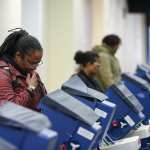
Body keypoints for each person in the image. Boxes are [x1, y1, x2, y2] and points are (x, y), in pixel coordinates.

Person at [0, 29, 46, 111]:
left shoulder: (30, 72)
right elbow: (9, 110)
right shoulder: (3, 73)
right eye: (31, 62)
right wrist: (30, 89)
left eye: (38, 62)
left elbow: (43, 101)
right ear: (18, 56)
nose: (35, 67)